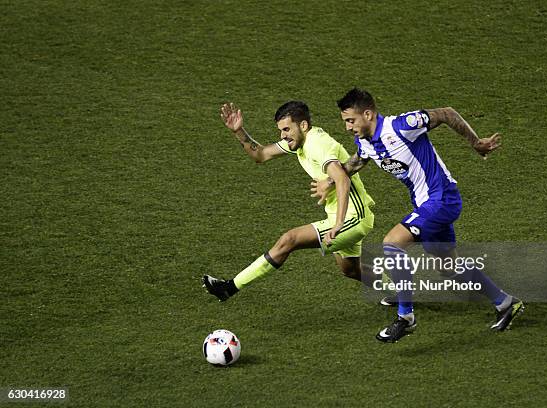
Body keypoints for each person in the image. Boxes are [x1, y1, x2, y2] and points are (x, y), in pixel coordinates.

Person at [311, 88, 524, 343]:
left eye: (350, 120)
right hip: (426, 205)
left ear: (367, 114)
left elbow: (446, 113)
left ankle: (406, 317)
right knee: (448, 267)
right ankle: (505, 302)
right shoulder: (365, 143)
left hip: (441, 199)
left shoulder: (402, 126)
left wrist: (476, 142)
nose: (347, 127)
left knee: (392, 243)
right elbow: (356, 163)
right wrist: (330, 182)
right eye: (345, 121)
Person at [202, 101, 376, 303]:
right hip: (343, 215)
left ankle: (229, 287)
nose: (283, 135)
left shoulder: (317, 145)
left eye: (286, 129)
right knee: (350, 269)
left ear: (303, 125)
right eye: (281, 131)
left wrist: (338, 224)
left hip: (352, 218)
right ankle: (402, 291)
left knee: (289, 240)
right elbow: (261, 155)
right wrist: (239, 131)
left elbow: (342, 178)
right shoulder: (300, 142)